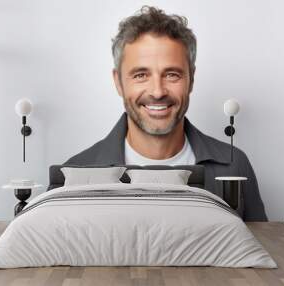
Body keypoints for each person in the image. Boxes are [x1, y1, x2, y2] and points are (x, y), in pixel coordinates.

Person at [64, 6, 267, 221]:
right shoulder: (72, 174)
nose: (157, 92)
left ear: (191, 79)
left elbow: (259, 249)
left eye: (172, 74)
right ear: (118, 82)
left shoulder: (234, 164)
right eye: (141, 75)